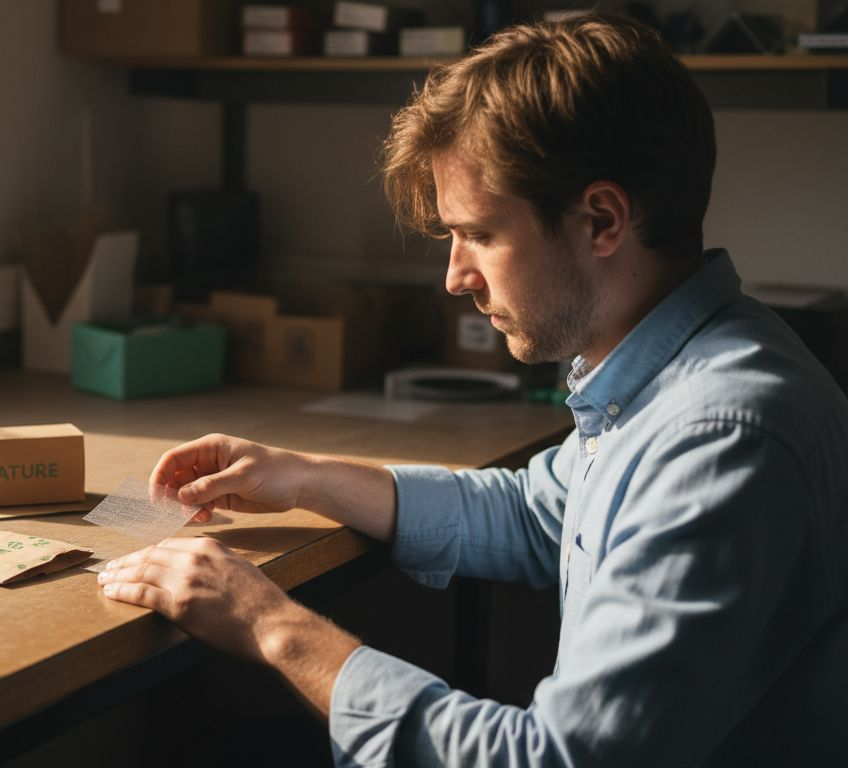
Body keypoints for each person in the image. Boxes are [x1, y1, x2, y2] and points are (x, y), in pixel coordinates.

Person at [95, 14, 848, 767]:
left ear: (602, 220)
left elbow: (549, 759)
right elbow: (534, 514)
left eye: (481, 235)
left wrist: (271, 626)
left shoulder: (720, 438)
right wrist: (305, 475)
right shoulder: (662, 374)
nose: (455, 276)